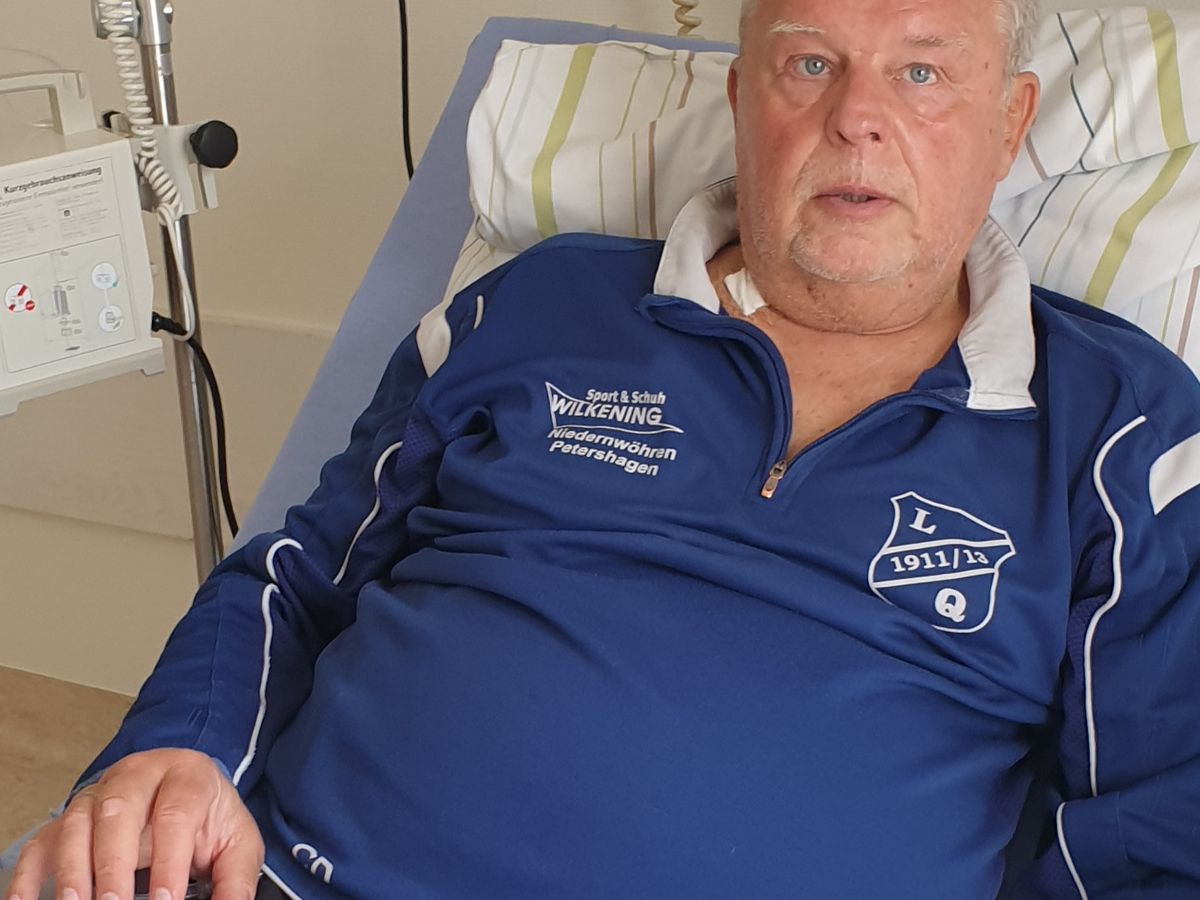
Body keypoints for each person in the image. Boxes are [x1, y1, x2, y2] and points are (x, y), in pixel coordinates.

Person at [9, 0, 1200, 896]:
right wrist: (177, 750)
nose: (858, 117)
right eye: (809, 64)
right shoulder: (535, 307)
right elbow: (296, 576)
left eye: (923, 72)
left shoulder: (1119, 427)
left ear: (1010, 125)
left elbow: (1157, 819)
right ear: (742, 100)